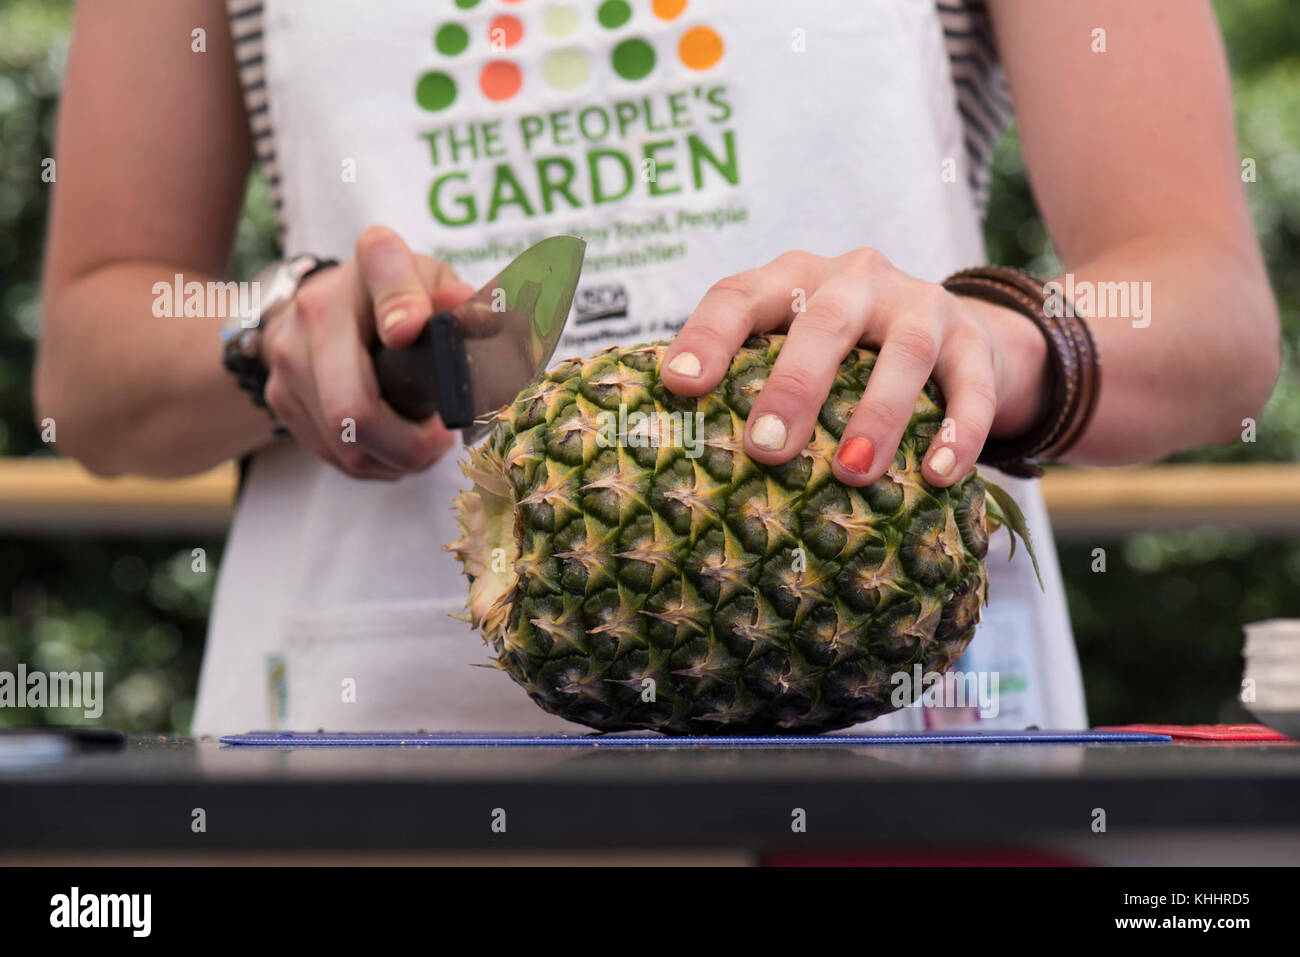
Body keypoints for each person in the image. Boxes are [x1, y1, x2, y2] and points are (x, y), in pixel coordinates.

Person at [36, 0, 1279, 734]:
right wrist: (264, 331)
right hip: (371, 773)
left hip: (898, 758)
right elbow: (90, 367)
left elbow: (1211, 317)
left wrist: (1005, 344)